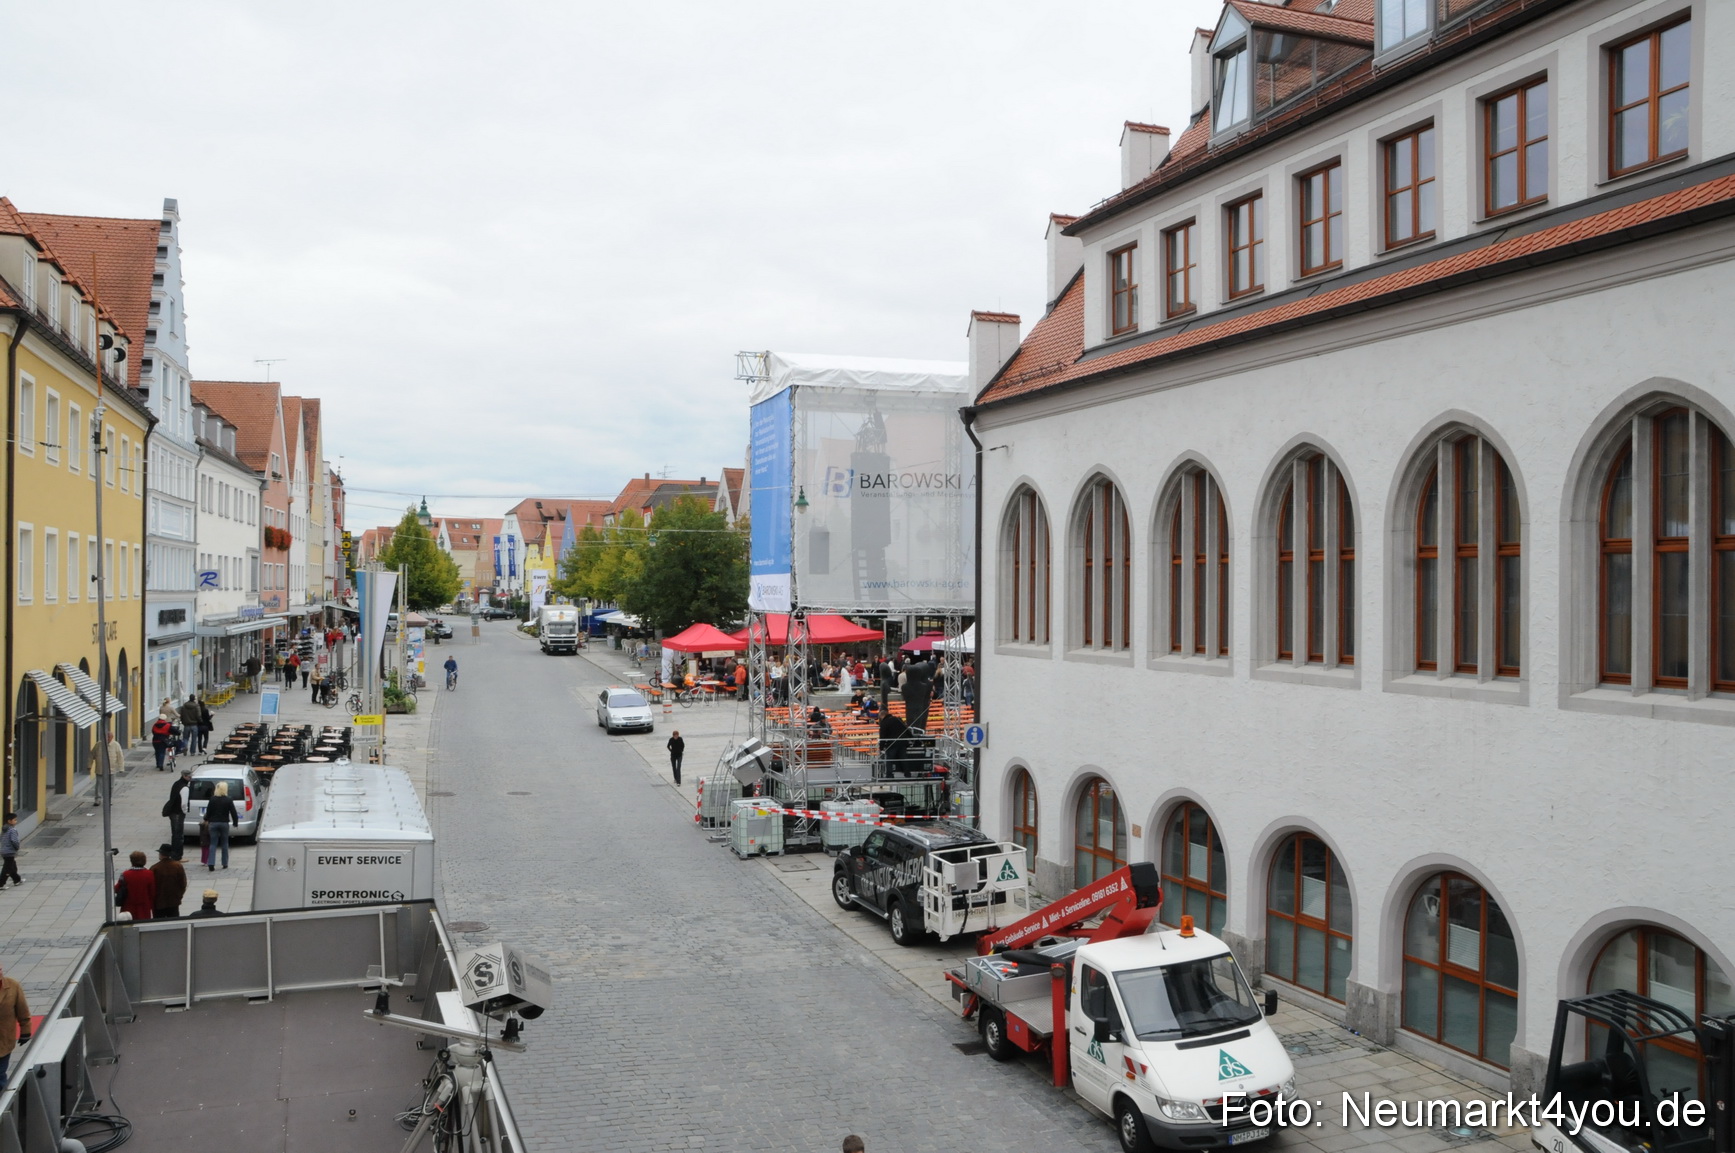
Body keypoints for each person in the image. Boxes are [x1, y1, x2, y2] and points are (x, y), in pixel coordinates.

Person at [0, 962, 31, 1081]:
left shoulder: (13, 986)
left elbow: (22, 1010)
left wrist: (25, 1031)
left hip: (3, 1041)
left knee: (0, 1075)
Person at [115, 850, 157, 921]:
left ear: (132, 861)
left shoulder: (125, 874)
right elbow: (152, 892)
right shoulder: (149, 874)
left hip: (128, 906)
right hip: (144, 906)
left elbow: (117, 888)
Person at [204, 782, 238, 871]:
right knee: (225, 843)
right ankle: (224, 863)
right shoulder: (228, 799)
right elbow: (233, 812)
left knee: (213, 843)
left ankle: (211, 863)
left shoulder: (212, 799)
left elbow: (208, 812)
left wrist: (206, 819)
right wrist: (235, 822)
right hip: (224, 823)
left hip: (213, 823)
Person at [151, 844, 187, 919]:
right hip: (173, 901)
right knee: (174, 922)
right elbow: (183, 884)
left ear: (161, 854)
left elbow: (151, 886)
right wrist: (179, 896)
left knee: (158, 922)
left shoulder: (155, 868)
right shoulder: (178, 866)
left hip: (159, 902)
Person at [164, 768, 192, 855]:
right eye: (189, 777)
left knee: (175, 834)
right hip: (178, 813)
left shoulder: (176, 783)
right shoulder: (185, 788)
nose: (190, 778)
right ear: (184, 776)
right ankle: (177, 855)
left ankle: (174, 853)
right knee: (179, 835)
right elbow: (184, 803)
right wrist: (185, 811)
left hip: (172, 812)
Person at [0, 814, 20, 889]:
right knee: (7, 868)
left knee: (12, 866)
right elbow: (14, 841)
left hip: (4, 850)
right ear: (9, 821)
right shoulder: (12, 830)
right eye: (15, 820)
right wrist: (17, 847)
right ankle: (1, 884)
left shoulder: (4, 829)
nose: (16, 821)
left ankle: (17, 879)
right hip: (10, 851)